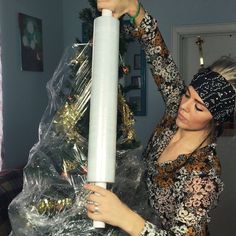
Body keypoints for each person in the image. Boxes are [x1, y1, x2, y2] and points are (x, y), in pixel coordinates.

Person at [84, 0, 236, 235]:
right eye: (187, 94)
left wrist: (124, 217)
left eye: (199, 108)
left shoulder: (204, 174)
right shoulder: (176, 107)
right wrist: (132, 8)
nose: (184, 106)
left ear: (215, 118)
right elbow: (159, 56)